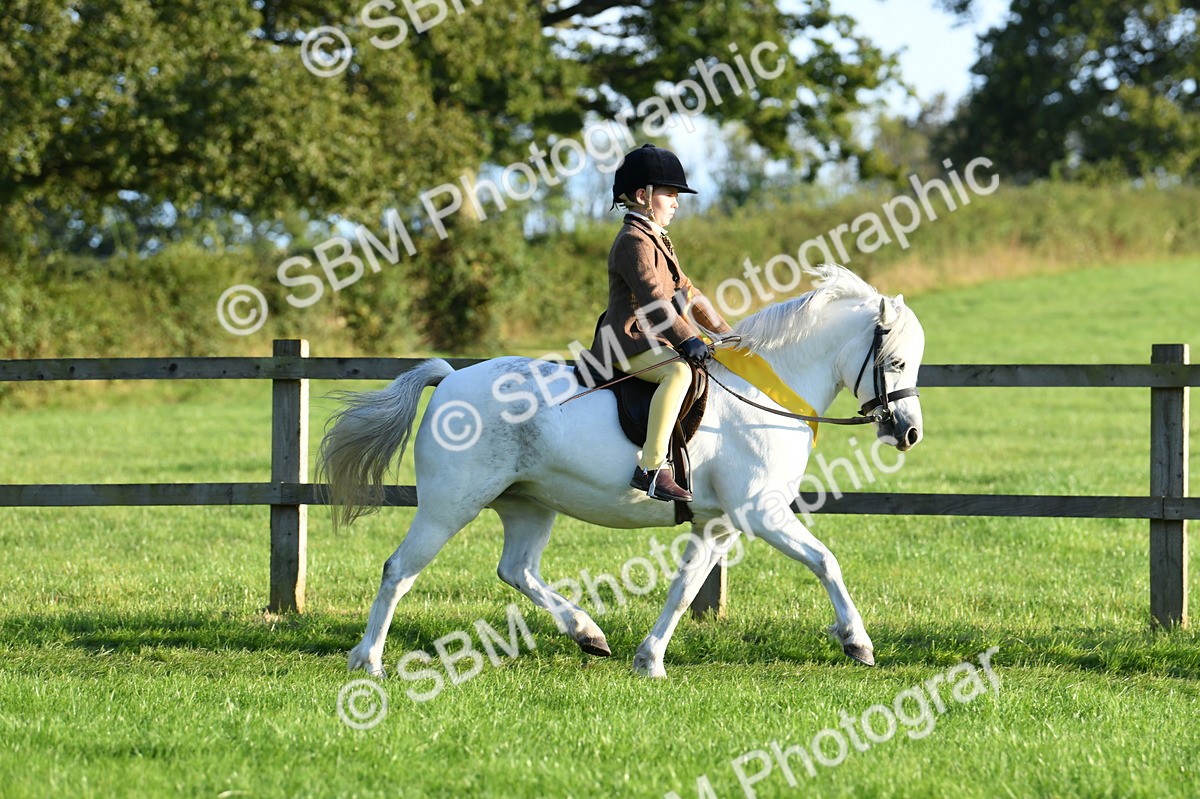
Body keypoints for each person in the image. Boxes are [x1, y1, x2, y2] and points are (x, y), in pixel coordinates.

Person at [578, 143, 733, 502]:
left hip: (651, 339)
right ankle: (650, 469)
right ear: (642, 196)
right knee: (677, 373)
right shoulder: (632, 241)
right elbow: (653, 299)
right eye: (670, 194)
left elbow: (688, 292)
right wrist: (686, 339)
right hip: (626, 341)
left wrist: (727, 334)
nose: (676, 203)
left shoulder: (657, 238)